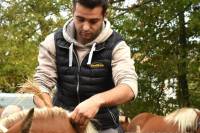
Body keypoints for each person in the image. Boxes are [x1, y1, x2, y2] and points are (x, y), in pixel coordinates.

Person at [33, 0, 138, 132]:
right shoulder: (52, 42)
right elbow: (41, 83)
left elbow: (129, 87)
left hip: (104, 126)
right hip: (62, 123)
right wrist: (48, 112)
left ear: (105, 15)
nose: (85, 27)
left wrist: (96, 100)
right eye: (80, 19)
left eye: (93, 21)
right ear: (73, 12)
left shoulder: (117, 46)